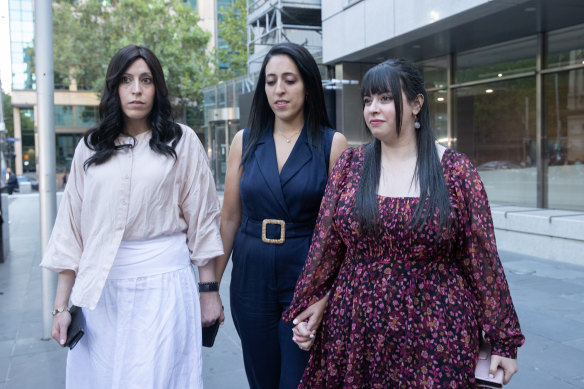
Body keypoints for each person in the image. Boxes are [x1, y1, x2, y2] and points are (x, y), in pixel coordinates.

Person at [283, 59, 525, 388]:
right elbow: (326, 245)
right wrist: (315, 300)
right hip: (356, 328)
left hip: (435, 330)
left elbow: (481, 258)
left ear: (416, 104)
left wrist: (503, 340)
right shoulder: (350, 165)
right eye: (367, 100)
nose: (373, 109)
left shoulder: (454, 170)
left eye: (384, 98)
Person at [40, 45, 224, 388]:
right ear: (114, 88)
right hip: (101, 293)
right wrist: (60, 306)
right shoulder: (90, 147)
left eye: (146, 80)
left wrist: (209, 290)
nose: (136, 89)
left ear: (158, 88)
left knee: (158, 379)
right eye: (126, 80)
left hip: (165, 288)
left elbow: (202, 221)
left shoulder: (181, 141)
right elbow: (70, 231)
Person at [215, 42, 347, 389]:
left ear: (307, 85)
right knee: (261, 379)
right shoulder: (244, 142)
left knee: (299, 380)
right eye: (271, 81)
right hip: (250, 278)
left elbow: (342, 234)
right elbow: (229, 218)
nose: (279, 90)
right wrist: (209, 288)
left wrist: (327, 294)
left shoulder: (332, 144)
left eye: (289, 80)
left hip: (306, 275)